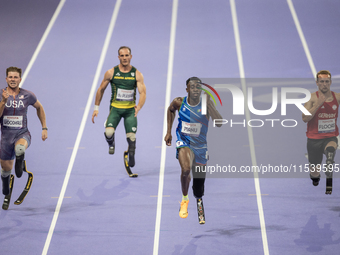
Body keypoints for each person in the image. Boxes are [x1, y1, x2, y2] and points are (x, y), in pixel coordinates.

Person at [164, 77, 222, 224]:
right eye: (193, 87)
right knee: (185, 169)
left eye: (198, 87)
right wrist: (169, 131)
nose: (196, 89)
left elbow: (220, 123)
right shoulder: (179, 102)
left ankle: (198, 199)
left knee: (198, 186)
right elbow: (170, 110)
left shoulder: (206, 103)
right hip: (184, 141)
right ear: (187, 89)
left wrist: (210, 106)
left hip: (200, 146)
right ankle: (184, 199)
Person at [92, 46, 146, 175]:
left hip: (130, 111)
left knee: (131, 136)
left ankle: (131, 153)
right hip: (115, 109)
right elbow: (101, 89)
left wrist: (139, 106)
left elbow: (142, 92)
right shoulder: (111, 73)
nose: (125, 58)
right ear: (118, 57)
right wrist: (96, 108)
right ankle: (111, 143)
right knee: (109, 132)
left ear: (131, 56)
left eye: (127, 55)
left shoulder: (137, 74)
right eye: (122, 56)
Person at [0, 66, 48, 207]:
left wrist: (44, 127)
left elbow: (39, 107)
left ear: (20, 79)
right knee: (5, 170)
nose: (13, 79)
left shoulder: (28, 95)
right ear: (6, 78)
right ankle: (6, 188)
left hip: (22, 134)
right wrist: (3, 101)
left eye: (16, 77)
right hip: (6, 138)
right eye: (10, 77)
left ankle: (20, 162)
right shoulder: (1, 94)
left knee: (20, 149)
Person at [303, 70, 340, 194]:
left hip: (330, 136)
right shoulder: (312, 98)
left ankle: (329, 164)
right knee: (314, 171)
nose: (324, 84)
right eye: (322, 82)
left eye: (327, 82)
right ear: (317, 83)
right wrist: (318, 104)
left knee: (331, 152)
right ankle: (315, 178)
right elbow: (304, 118)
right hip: (314, 139)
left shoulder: (337, 97)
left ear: (330, 82)